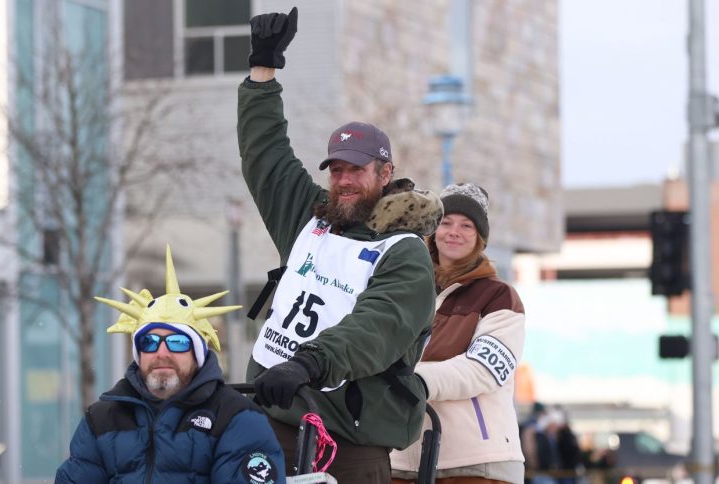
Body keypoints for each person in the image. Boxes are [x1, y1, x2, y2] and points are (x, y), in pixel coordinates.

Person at [239, 7, 442, 483]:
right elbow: (265, 155)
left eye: (357, 169)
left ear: (385, 173)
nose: (344, 180)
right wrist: (263, 70)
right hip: (274, 420)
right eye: (336, 170)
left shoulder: (404, 252)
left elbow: (377, 326)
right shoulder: (312, 219)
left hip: (347, 441)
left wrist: (310, 362)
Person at [55, 246, 286, 484]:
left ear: (197, 353)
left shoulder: (237, 418)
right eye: (149, 341)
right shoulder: (101, 420)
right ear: (139, 353)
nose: (162, 352)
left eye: (177, 342)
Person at [390, 183, 526, 484]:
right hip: (398, 457)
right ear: (433, 230)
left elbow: (484, 369)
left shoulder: (500, 297)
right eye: (446, 222)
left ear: (480, 238)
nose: (454, 231)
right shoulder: (403, 290)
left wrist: (416, 380)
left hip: (477, 463)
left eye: (467, 226)